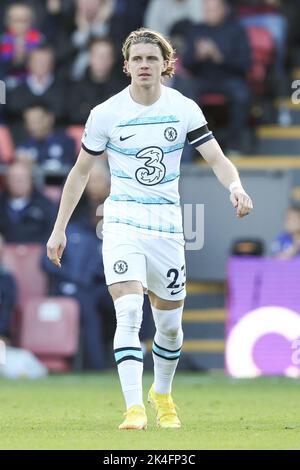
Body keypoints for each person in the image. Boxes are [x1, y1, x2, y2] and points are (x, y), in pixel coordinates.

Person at [46, 27, 253, 430]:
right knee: (127, 311)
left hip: (168, 228)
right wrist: (60, 229)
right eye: (137, 59)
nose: (144, 65)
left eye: (152, 59)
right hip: (121, 221)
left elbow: (216, 158)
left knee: (170, 328)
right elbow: (79, 173)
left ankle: (162, 393)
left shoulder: (184, 108)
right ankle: (133, 408)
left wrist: (236, 186)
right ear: (126, 66)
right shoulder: (105, 114)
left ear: (165, 65)